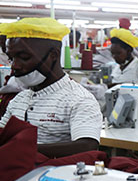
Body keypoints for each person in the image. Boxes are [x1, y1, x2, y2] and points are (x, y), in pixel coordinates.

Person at [0, 18, 102, 158]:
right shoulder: (20, 99)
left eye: (24, 57)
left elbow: (87, 146)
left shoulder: (79, 100)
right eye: (12, 58)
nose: (14, 66)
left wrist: (22, 149)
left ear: (53, 55)